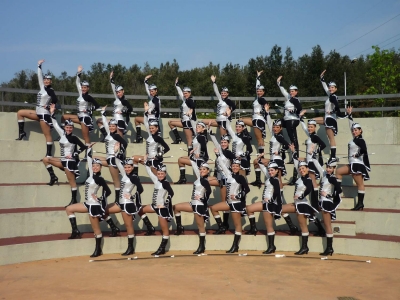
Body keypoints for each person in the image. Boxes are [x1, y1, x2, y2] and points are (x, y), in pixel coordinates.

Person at [249, 106, 298, 235]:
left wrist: (281, 151)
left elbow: (287, 144)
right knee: (257, 162)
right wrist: (267, 112)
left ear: (281, 128)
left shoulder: (280, 136)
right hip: (272, 159)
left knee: (278, 180)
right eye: (274, 127)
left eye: (277, 127)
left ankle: (280, 195)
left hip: (278, 161)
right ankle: (259, 180)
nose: (275, 128)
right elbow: (269, 122)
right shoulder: (273, 134)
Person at [65, 147, 119, 258]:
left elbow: (108, 191)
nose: (94, 167)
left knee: (96, 229)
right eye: (93, 166)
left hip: (94, 205)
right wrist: (89, 147)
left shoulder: (100, 179)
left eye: (97, 166)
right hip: (87, 203)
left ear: (100, 168)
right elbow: (89, 158)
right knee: (69, 209)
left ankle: (98, 249)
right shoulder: (91, 175)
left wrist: (99, 199)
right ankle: (75, 231)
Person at [42, 104, 87, 207]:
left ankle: (74, 200)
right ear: (65, 127)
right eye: (67, 127)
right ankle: (53, 177)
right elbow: (54, 123)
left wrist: (73, 154)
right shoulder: (62, 133)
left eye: (71, 128)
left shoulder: (74, 138)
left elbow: (83, 147)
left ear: (72, 128)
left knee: (72, 182)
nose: (69, 129)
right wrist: (52, 112)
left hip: (70, 162)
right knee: (46, 159)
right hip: (62, 160)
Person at [16, 59, 58, 158]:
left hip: (44, 115)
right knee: (20, 113)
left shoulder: (50, 90)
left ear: (51, 81)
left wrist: (48, 106)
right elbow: (39, 76)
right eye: (45, 79)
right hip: (37, 112)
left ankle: (49, 154)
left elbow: (55, 99)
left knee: (47, 135)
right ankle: (22, 132)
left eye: (48, 80)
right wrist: (39, 66)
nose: (46, 81)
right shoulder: (42, 88)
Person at [281, 145, 318, 255]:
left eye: (303, 169)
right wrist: (293, 152)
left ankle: (304, 247)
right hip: (296, 204)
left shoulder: (307, 179)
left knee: (303, 226)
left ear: (307, 169)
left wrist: (301, 196)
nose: (301, 170)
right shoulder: (300, 177)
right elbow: (297, 162)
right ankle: (292, 227)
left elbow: (309, 189)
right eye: (300, 169)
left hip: (302, 205)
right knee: (281, 209)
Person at [210, 154, 250, 253]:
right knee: (213, 208)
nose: (235, 167)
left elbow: (247, 189)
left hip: (236, 203)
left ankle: (235, 246)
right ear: (231, 167)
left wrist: (237, 196)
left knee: (237, 225)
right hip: (228, 202)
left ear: (239, 167)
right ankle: (221, 226)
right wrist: (218, 154)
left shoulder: (241, 177)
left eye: (236, 166)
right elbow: (222, 165)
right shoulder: (229, 175)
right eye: (233, 166)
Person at [104, 157, 144, 256]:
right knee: (103, 210)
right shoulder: (124, 174)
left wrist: (133, 196)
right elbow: (117, 161)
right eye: (125, 167)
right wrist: (116, 151)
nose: (127, 169)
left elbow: (141, 189)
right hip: (120, 203)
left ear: (132, 167)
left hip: (127, 203)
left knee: (128, 225)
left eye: (129, 167)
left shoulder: (134, 177)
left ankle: (130, 247)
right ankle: (114, 228)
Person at [173, 156, 211, 254]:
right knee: (176, 207)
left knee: (200, 226)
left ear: (208, 171)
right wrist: (192, 156)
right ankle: (179, 227)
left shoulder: (205, 180)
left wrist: (202, 199)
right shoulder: (199, 178)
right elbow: (194, 164)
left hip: (199, 205)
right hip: (192, 203)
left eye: (204, 169)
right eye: (201, 169)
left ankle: (201, 246)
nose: (202, 170)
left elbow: (209, 191)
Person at [336, 107, 370, 211]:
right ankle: (336, 193)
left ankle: (360, 203)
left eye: (356, 130)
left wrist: (358, 154)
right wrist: (350, 115)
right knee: (338, 171)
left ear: (361, 131)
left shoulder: (360, 140)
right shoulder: (355, 138)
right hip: (352, 164)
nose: (354, 131)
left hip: (357, 164)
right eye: (353, 130)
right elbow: (351, 126)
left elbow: (364, 149)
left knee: (360, 184)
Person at [96, 106, 128, 214]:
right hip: (109, 158)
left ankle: (118, 199)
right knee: (94, 159)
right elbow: (104, 122)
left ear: (116, 126)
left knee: (116, 180)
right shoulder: (109, 133)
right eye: (111, 126)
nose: (112, 127)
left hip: (113, 159)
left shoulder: (117, 136)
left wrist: (119, 153)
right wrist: (103, 112)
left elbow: (125, 144)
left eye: (114, 126)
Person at [138, 162, 174, 255]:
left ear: (165, 174)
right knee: (140, 209)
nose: (160, 175)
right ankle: (150, 227)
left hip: (161, 209)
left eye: (162, 174)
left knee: (165, 230)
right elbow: (149, 172)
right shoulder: (156, 180)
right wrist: (146, 162)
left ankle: (162, 248)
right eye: (158, 174)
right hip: (154, 206)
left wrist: (165, 204)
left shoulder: (166, 183)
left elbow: (171, 193)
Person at [246, 159, 282, 254]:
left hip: (269, 204)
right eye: (269, 170)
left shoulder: (275, 180)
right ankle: (253, 228)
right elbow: (262, 166)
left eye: (272, 170)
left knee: (268, 226)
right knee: (249, 209)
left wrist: (270, 200)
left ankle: (271, 246)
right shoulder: (270, 177)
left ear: (277, 170)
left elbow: (277, 192)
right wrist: (260, 159)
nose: (270, 172)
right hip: (264, 202)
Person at [61, 65, 100, 150]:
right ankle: (63, 134)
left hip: (84, 117)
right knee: (64, 117)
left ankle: (88, 153)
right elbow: (77, 82)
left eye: (85, 87)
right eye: (82, 87)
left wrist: (89, 109)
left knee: (85, 136)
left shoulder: (88, 97)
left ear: (88, 88)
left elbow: (97, 106)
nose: (83, 89)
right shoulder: (80, 93)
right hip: (79, 116)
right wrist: (79, 72)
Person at [314, 70, 346, 161]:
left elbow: (336, 106)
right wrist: (322, 78)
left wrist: (333, 112)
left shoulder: (333, 97)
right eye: (330, 87)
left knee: (331, 137)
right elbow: (325, 88)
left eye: (333, 87)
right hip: (327, 118)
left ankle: (333, 156)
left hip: (330, 119)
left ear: (336, 89)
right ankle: (315, 142)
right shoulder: (330, 95)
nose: (330, 88)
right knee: (311, 121)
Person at [208, 125, 236, 232]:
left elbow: (235, 164)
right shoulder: (219, 150)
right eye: (222, 143)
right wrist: (210, 131)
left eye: (225, 143)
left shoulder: (229, 153)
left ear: (228, 144)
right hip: (218, 176)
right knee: (204, 181)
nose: (223, 144)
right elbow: (214, 140)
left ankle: (225, 224)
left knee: (224, 200)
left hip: (225, 177)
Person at [313, 157, 342, 256]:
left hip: (327, 202)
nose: (328, 169)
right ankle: (329, 248)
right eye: (327, 167)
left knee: (327, 225)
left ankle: (329, 248)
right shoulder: (325, 175)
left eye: (331, 168)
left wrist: (328, 195)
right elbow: (317, 164)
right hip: (322, 201)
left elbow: (339, 190)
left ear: (334, 168)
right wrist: (312, 154)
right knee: (325, 224)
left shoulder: (333, 178)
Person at [299, 119, 326, 210]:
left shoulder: (314, 137)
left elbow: (323, 145)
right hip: (309, 161)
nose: (309, 128)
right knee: (312, 182)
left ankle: (315, 204)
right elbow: (304, 129)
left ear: (315, 127)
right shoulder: (310, 136)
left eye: (311, 127)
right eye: (309, 126)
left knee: (313, 182)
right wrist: (301, 119)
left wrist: (316, 152)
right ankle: (315, 203)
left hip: (312, 161)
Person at [97, 71, 132, 140]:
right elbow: (113, 88)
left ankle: (122, 149)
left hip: (119, 120)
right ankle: (105, 135)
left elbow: (130, 108)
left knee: (120, 139)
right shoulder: (117, 98)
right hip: (114, 120)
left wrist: (123, 111)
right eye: (117, 93)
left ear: (123, 91)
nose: (118, 94)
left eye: (119, 92)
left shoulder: (124, 100)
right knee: (99, 121)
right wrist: (111, 78)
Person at [241, 70, 268, 156]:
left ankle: (261, 155)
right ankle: (247, 135)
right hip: (255, 119)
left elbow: (267, 107)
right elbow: (257, 86)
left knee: (259, 139)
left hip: (259, 120)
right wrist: (258, 77)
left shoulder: (262, 99)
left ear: (263, 92)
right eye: (258, 91)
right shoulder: (257, 98)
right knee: (241, 120)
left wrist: (262, 111)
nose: (259, 92)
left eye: (261, 91)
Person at [276, 76, 302, 164]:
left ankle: (295, 156)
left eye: (293, 91)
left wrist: (294, 111)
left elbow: (299, 108)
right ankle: (282, 141)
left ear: (296, 92)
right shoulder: (289, 98)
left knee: (293, 138)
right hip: (287, 120)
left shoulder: (295, 99)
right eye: (290, 91)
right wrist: (279, 83)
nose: (291, 92)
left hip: (292, 120)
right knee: (277, 123)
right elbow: (284, 91)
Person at [168, 78, 197, 146]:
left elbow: (193, 105)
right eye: (184, 93)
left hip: (188, 122)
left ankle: (192, 151)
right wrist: (177, 85)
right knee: (170, 123)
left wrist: (191, 109)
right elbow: (180, 93)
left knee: (189, 140)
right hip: (184, 121)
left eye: (186, 93)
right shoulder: (185, 99)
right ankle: (178, 138)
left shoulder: (189, 100)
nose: (184, 94)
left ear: (190, 93)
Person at [134, 75, 161, 142]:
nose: (151, 93)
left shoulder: (156, 99)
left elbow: (157, 106)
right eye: (150, 91)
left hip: (153, 118)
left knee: (153, 135)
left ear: (156, 90)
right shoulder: (152, 97)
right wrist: (145, 80)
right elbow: (147, 90)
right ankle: (139, 137)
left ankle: (158, 147)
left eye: (152, 91)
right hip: (148, 117)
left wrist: (150, 110)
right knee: (137, 120)